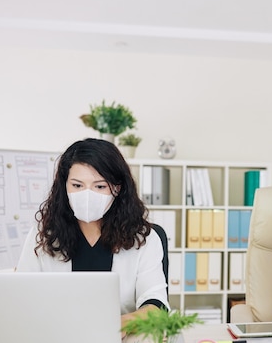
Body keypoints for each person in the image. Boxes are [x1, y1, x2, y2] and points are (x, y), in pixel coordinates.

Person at [17, 138, 169, 328]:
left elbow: (156, 303)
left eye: (100, 186)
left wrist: (114, 326)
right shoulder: (42, 235)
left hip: (121, 340)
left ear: (117, 188)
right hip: (55, 339)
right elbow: (22, 298)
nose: (87, 195)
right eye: (77, 185)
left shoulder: (143, 238)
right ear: (64, 186)